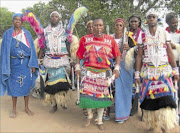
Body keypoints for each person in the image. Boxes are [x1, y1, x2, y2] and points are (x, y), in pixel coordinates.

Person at [135, 10, 179, 132]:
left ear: (157, 19)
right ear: (146, 20)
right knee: (150, 99)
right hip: (149, 72)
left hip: (164, 71)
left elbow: (170, 52)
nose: (151, 19)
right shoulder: (142, 35)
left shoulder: (164, 33)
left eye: (153, 17)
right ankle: (153, 125)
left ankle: (165, 124)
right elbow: (139, 55)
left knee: (166, 98)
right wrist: (137, 74)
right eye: (149, 17)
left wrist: (175, 70)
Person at [75, 18, 121, 130]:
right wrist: (77, 67)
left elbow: (118, 55)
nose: (98, 28)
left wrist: (117, 68)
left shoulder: (110, 40)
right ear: (92, 26)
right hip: (88, 72)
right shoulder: (85, 39)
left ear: (103, 26)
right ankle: (90, 115)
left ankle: (99, 120)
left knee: (102, 98)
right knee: (87, 95)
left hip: (103, 73)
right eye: (96, 25)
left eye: (100, 25)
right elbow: (79, 54)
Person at [0, 13, 39, 118]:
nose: (17, 21)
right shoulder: (8, 34)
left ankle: (26, 107)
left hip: (25, 64)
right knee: (13, 86)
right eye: (15, 19)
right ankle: (14, 109)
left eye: (19, 20)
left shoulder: (27, 34)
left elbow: (32, 51)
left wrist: (33, 64)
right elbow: (4, 51)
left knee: (26, 86)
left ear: (22, 22)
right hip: (13, 64)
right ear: (13, 21)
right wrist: (5, 65)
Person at [39, 11, 71, 113]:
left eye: (56, 16)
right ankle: (54, 105)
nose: (54, 18)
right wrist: (38, 60)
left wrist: (72, 58)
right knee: (51, 84)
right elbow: (42, 47)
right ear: (50, 18)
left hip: (62, 61)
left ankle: (63, 102)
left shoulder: (64, 31)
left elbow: (68, 45)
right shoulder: (44, 31)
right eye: (52, 16)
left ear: (59, 19)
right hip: (49, 61)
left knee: (62, 84)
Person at [127, 15, 145, 116]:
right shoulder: (126, 34)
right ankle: (133, 108)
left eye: (135, 22)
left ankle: (143, 110)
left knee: (142, 86)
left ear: (139, 23)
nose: (133, 23)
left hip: (142, 63)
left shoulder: (143, 34)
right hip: (130, 63)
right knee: (132, 86)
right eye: (132, 22)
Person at [165, 12, 180, 106]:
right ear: (168, 23)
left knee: (178, 88)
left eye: (176, 22)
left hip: (178, 64)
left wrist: (175, 46)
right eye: (173, 23)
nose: (175, 25)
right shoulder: (164, 33)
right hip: (167, 65)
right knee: (168, 87)